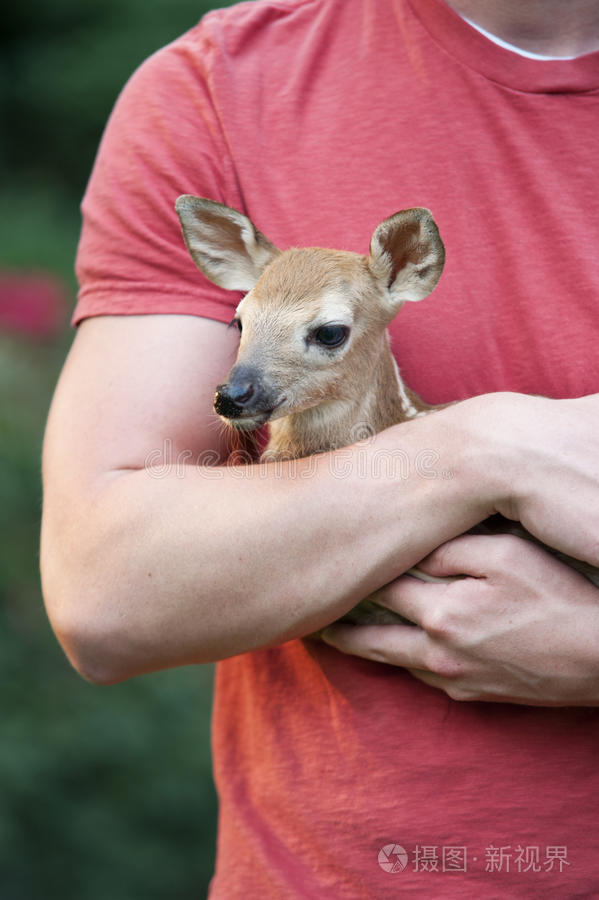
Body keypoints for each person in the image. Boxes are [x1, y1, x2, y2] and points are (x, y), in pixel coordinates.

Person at [40, 0, 599, 894]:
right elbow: (108, 592)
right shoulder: (222, 84)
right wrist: (485, 447)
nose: (241, 383)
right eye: (242, 326)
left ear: (406, 268)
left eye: (323, 337)